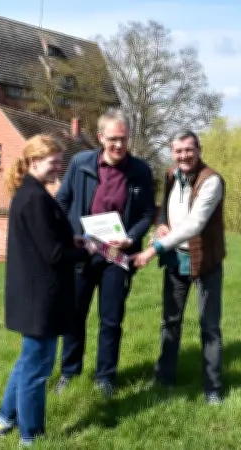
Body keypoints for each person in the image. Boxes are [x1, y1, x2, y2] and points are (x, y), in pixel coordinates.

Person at [0, 134, 102, 445]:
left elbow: (46, 240)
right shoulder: (34, 198)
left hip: (33, 295)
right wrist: (87, 251)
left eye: (60, 162)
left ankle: (4, 420)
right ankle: (31, 437)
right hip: (40, 299)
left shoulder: (32, 193)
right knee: (37, 370)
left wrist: (72, 240)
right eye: (54, 162)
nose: (58, 168)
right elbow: (53, 255)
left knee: (28, 362)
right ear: (33, 161)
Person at [53, 108, 156, 398]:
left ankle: (105, 377)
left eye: (123, 138)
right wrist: (69, 236)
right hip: (83, 254)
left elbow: (147, 213)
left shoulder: (140, 171)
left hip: (117, 257)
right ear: (100, 137)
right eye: (113, 139)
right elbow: (62, 201)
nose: (119, 145)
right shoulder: (80, 163)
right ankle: (69, 373)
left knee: (111, 320)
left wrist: (132, 237)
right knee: (74, 317)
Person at [132, 130, 226, 405]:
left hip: (205, 260)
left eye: (188, 150)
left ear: (198, 150)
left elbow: (194, 224)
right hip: (175, 259)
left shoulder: (212, 181)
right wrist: (161, 222)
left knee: (209, 326)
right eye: (178, 151)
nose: (184, 156)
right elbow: (165, 207)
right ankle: (164, 379)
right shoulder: (171, 174)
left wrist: (153, 249)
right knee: (170, 321)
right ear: (172, 152)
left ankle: (213, 389)